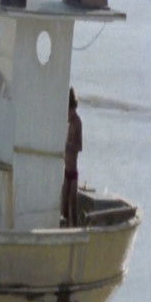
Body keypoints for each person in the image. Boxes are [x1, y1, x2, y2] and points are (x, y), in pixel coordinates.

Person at [61, 87, 83, 226]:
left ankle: (74, 228)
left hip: (73, 172)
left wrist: (68, 146)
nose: (68, 113)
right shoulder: (67, 123)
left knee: (72, 203)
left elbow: (79, 147)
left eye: (69, 110)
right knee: (64, 204)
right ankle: (64, 227)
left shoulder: (77, 122)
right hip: (65, 170)